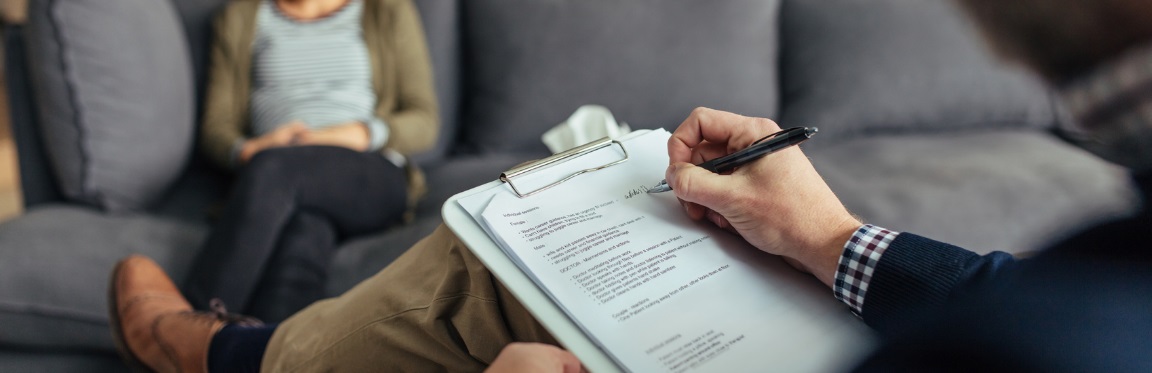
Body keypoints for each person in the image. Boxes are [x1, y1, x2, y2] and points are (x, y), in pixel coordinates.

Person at [109, 0, 1152, 371]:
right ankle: (224, 340)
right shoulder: (242, 21)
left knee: (467, 273)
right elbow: (215, 122)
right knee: (302, 182)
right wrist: (832, 238)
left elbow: (418, 123)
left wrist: (351, 126)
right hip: (281, 155)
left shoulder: (382, 16)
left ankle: (211, 346)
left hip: (374, 156)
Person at [183, 0, 439, 323]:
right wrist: (252, 148)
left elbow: (424, 121)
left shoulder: (386, 10)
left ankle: (189, 328)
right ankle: (267, 356)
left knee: (277, 169)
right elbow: (216, 129)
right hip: (278, 174)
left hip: (366, 168)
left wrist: (355, 134)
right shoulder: (239, 18)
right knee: (303, 234)